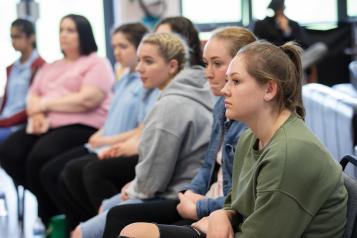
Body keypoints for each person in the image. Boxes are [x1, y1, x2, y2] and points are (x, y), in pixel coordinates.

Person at [119, 41, 348, 238]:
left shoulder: (290, 154)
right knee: (135, 231)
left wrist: (214, 220)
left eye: (236, 81)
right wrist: (221, 214)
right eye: (227, 80)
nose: (225, 90)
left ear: (269, 89)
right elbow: (236, 203)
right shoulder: (250, 137)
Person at [101, 26, 256, 238]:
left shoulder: (247, 121)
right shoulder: (221, 105)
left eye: (217, 64)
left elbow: (242, 198)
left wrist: (198, 207)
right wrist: (191, 193)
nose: (207, 73)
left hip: (221, 211)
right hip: (203, 199)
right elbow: (208, 165)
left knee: (121, 217)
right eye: (206, 63)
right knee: (116, 212)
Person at [70, 32, 214, 238]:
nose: (139, 68)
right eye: (139, 60)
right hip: (180, 189)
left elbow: (151, 182)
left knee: (80, 232)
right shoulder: (191, 90)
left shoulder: (170, 106)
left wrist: (134, 189)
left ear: (172, 66)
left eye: (148, 61)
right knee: (104, 204)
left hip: (175, 195)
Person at [37, 22, 156, 226]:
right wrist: (99, 136)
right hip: (101, 141)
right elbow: (112, 116)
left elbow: (142, 128)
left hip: (116, 145)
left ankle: (96, 224)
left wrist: (104, 139)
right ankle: (80, 224)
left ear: (139, 47)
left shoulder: (146, 82)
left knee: (76, 172)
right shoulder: (123, 78)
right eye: (114, 47)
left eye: (123, 46)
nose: (117, 52)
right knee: (51, 172)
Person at [0, 14, 114, 224]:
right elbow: (32, 96)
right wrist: (36, 115)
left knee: (38, 157)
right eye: (62, 30)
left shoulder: (96, 63)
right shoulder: (50, 66)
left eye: (71, 30)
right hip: (47, 124)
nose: (64, 35)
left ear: (84, 34)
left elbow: (86, 100)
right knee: (9, 150)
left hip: (83, 124)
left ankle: (51, 216)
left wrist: (45, 105)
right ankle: (51, 206)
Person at [0, 18, 45, 143]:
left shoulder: (40, 67)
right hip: (5, 121)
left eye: (18, 37)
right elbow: (7, 102)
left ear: (31, 38)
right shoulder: (11, 68)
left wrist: (4, 122)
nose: (14, 41)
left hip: (21, 123)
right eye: (12, 37)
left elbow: (34, 105)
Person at [253, 0, 327, 73]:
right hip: (275, 59)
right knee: (300, 71)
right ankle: (293, 69)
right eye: (277, 8)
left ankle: (292, 69)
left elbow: (303, 44)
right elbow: (258, 44)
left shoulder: (293, 24)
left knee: (320, 48)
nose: (279, 11)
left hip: (295, 58)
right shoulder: (263, 24)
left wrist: (287, 31)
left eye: (281, 8)